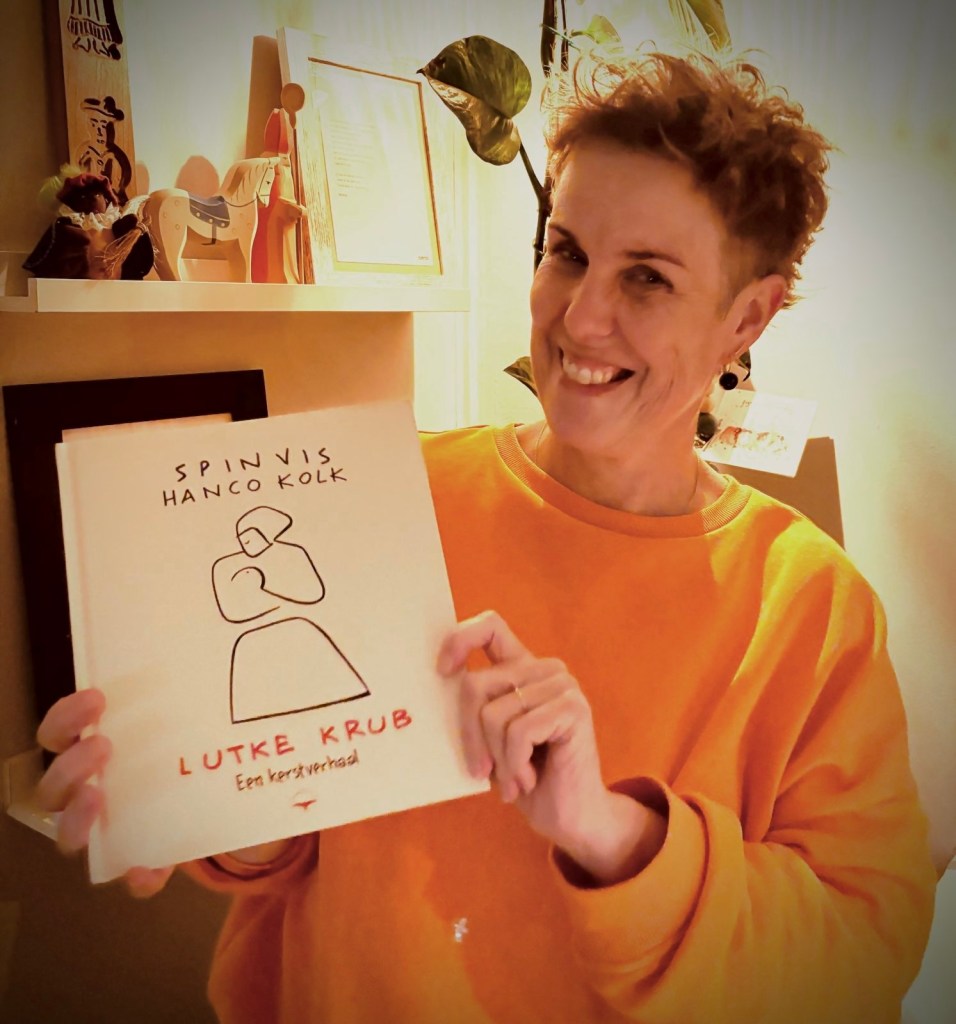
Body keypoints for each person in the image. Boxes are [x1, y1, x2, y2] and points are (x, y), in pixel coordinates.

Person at [35, 51, 936, 1023]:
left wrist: (609, 831)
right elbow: (307, 848)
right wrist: (199, 799)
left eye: (646, 278)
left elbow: (856, 960)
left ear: (744, 318)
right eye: (567, 252)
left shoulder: (809, 608)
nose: (580, 317)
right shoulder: (388, 493)